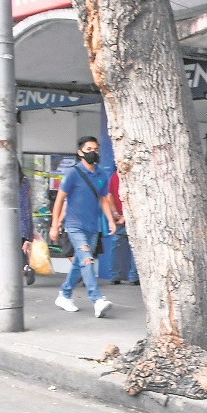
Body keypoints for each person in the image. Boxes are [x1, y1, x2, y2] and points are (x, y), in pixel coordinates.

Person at [49, 136, 120, 317]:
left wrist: (110, 220)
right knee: (87, 260)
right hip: (74, 226)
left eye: (95, 149)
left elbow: (103, 199)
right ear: (80, 153)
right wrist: (54, 225)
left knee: (80, 263)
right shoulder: (73, 173)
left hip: (92, 226)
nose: (93, 152)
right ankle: (97, 299)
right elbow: (59, 200)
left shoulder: (101, 174)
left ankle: (64, 295)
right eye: (88, 149)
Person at [107, 169, 138, 286]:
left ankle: (115, 275)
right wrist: (125, 216)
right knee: (136, 246)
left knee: (117, 245)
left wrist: (115, 212)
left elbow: (109, 195)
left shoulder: (114, 175)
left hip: (119, 215)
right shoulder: (133, 176)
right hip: (133, 216)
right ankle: (134, 276)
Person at [17, 166, 35, 286]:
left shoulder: (6, 181)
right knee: (21, 248)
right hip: (24, 218)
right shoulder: (25, 181)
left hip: (10, 218)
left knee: (11, 248)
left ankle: (21, 270)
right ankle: (26, 267)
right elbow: (28, 199)